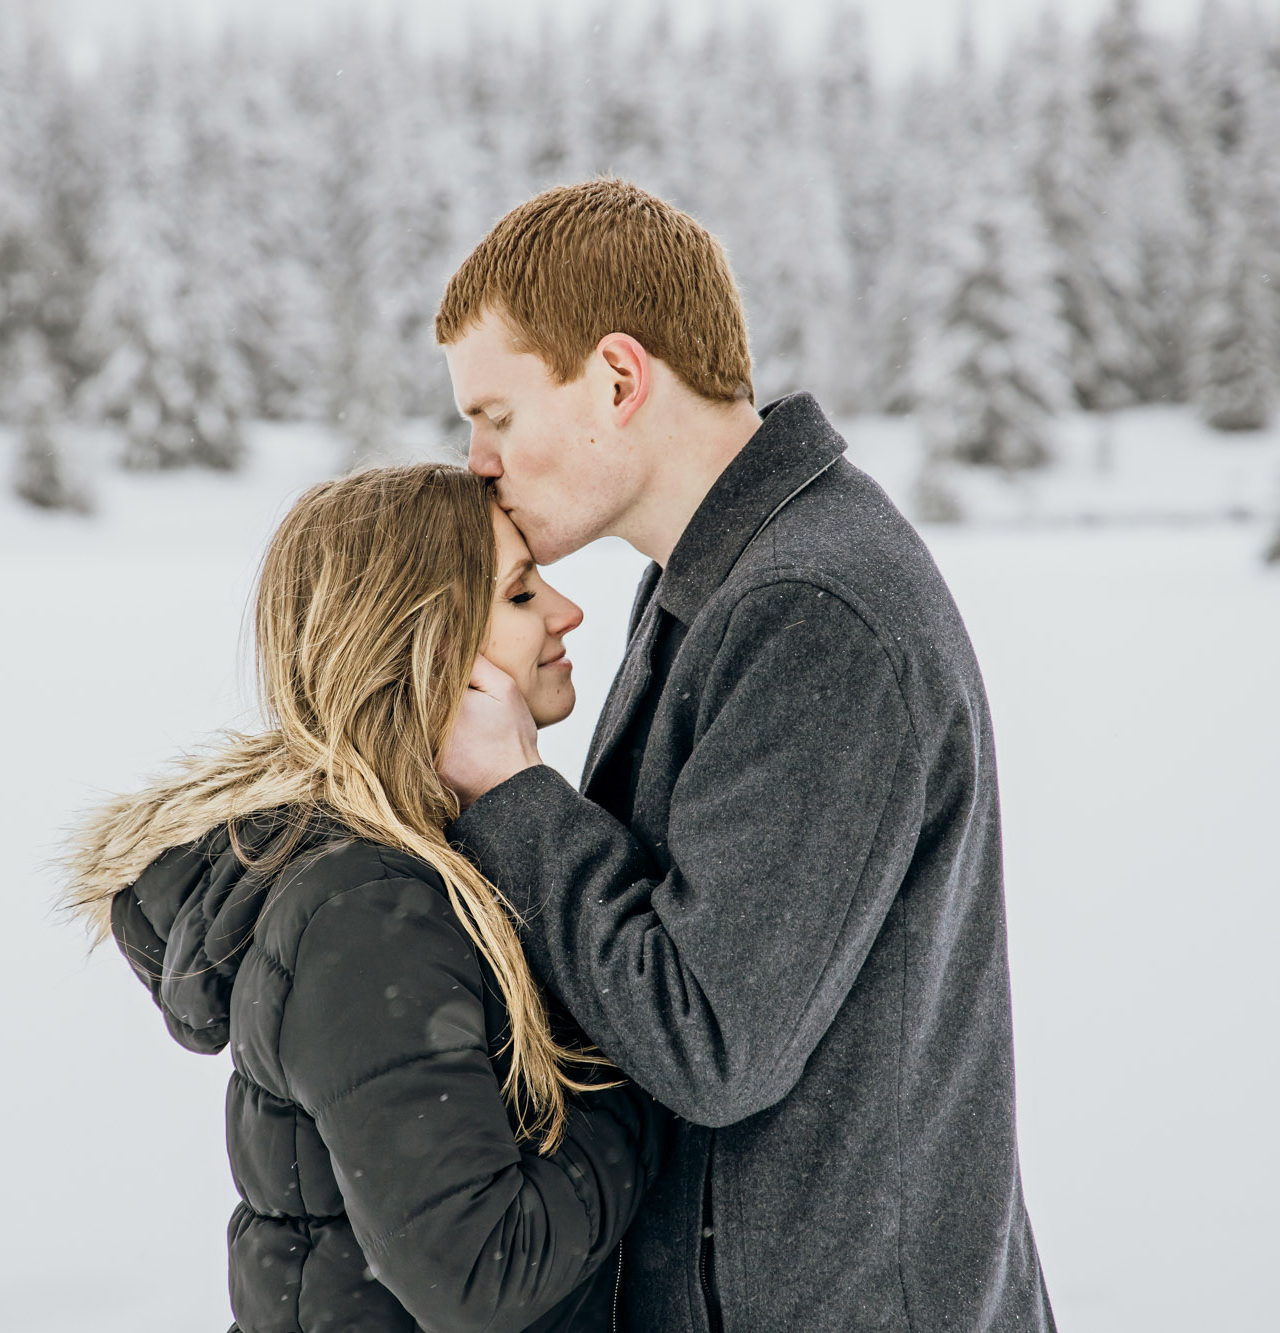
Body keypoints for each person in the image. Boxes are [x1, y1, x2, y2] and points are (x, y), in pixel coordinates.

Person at [435, 179, 1055, 1331]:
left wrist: (512, 795)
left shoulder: (811, 607)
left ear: (617, 380)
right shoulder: (708, 587)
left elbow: (707, 1038)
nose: (478, 459)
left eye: (497, 417)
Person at [63, 464, 658, 1333]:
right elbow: (480, 1272)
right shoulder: (369, 912)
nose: (567, 611)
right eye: (523, 593)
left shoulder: (415, 866)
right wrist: (650, 1069)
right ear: (428, 646)